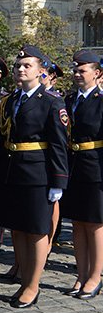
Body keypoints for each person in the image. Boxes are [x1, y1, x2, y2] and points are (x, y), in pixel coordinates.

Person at [0, 45, 69, 308]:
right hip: (12, 170)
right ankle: (24, 276)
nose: (20, 70)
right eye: (18, 66)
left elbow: (59, 144)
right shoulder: (11, 100)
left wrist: (58, 181)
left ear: (41, 71)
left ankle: (33, 284)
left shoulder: (51, 102)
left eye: (27, 66)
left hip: (38, 173)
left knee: (37, 230)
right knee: (17, 228)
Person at [63, 50, 103, 299]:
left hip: (96, 167)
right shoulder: (68, 100)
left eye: (83, 70)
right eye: (75, 70)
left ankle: (95, 275)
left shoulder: (101, 100)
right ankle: (81, 273)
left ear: (97, 73)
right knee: (77, 223)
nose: (77, 74)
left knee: (95, 224)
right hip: (73, 166)